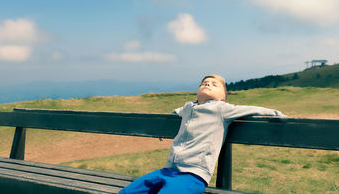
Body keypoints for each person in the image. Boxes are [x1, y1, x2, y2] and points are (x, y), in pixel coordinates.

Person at [119, 75, 286, 194]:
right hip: (167, 170)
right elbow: (176, 113)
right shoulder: (188, 107)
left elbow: (253, 110)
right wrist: (165, 126)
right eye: (204, 82)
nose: (208, 84)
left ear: (223, 98)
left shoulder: (222, 109)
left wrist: (279, 115)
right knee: (128, 191)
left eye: (214, 84)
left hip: (192, 175)